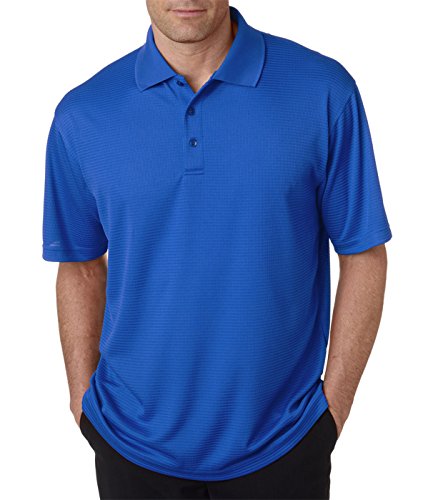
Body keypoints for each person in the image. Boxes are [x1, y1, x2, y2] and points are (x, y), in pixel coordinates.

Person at [41, 1, 392, 498]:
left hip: (284, 443)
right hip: (129, 444)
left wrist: (333, 409)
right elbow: (79, 266)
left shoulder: (322, 91)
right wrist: (83, 403)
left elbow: (362, 252)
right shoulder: (84, 114)